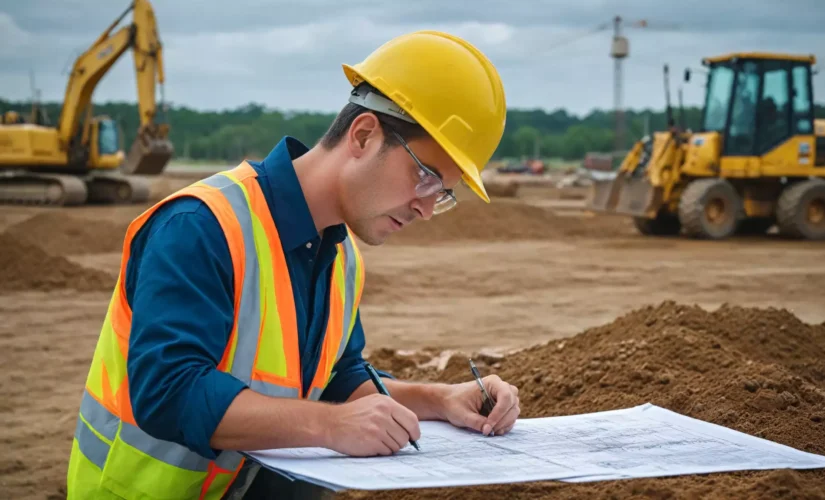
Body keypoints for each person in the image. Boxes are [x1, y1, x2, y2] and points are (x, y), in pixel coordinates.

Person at [66, 30, 519, 499]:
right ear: (363, 135)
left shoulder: (341, 257)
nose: (426, 208)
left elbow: (336, 379)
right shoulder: (201, 226)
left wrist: (440, 400)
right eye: (425, 177)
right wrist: (330, 426)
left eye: (442, 193)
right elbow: (168, 391)